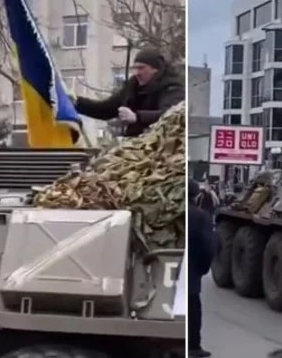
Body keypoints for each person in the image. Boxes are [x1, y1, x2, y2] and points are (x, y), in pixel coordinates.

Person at [72, 47, 184, 137]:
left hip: (160, 146)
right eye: (135, 68)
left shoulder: (172, 87)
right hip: (135, 144)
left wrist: (137, 117)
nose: (137, 73)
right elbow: (106, 109)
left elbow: (171, 115)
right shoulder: (132, 87)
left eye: (141, 68)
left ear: (156, 69)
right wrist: (77, 103)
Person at [188, 178, 215, 358]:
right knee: (193, 310)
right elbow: (208, 248)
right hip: (191, 274)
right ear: (196, 195)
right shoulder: (200, 216)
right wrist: (202, 269)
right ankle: (193, 347)